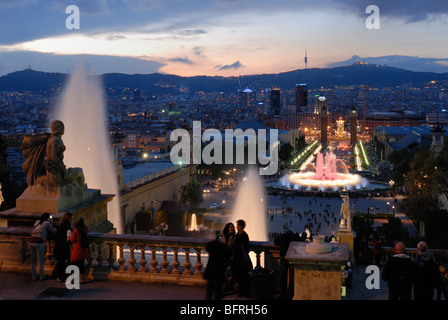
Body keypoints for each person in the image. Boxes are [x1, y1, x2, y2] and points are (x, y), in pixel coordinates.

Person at [203, 231, 228, 300]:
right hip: (219, 270)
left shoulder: (211, 244)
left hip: (211, 269)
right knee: (218, 291)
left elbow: (207, 248)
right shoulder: (223, 246)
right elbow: (226, 255)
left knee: (209, 291)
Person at [29, 212, 53, 281]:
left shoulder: (37, 221)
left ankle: (34, 276)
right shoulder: (47, 223)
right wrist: (51, 222)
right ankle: (41, 276)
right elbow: (50, 230)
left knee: (33, 260)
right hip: (39, 242)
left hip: (31, 241)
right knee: (40, 260)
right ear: (47, 218)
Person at [232, 219, 253, 297]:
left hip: (241, 259)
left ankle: (245, 292)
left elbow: (245, 248)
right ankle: (242, 290)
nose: (236, 227)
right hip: (238, 259)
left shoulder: (243, 235)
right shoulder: (238, 234)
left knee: (243, 276)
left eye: (237, 225)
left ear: (240, 226)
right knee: (241, 275)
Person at [53, 212, 73, 282]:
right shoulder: (67, 225)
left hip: (58, 245)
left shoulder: (59, 224)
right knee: (63, 262)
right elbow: (69, 235)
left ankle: (59, 276)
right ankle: (61, 276)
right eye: (71, 218)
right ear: (68, 218)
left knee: (60, 262)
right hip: (64, 245)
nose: (71, 219)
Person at [222, 222, 236, 291]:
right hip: (223, 257)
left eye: (233, 227)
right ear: (227, 228)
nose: (232, 228)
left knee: (229, 271)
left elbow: (235, 247)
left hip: (230, 257)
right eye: (230, 227)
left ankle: (229, 286)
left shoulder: (235, 237)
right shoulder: (222, 236)